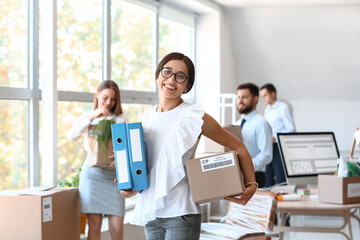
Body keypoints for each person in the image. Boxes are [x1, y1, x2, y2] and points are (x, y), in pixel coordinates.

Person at [120, 52, 257, 240]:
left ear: (187, 85)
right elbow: (154, 168)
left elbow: (239, 147)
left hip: (181, 214)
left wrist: (252, 184)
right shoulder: (147, 117)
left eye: (180, 76)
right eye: (167, 72)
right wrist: (131, 188)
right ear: (157, 75)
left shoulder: (193, 116)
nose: (171, 80)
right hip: (152, 213)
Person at [68, 80, 125, 240]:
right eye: (105, 97)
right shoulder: (88, 117)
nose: (108, 102)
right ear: (97, 95)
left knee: (117, 230)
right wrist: (93, 117)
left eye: (113, 99)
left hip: (114, 179)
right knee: (93, 230)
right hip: (92, 177)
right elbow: (72, 137)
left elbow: (127, 146)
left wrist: (121, 160)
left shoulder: (120, 119)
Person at [235, 83, 273, 188]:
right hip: (236, 176)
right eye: (238, 97)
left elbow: (266, 155)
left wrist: (246, 166)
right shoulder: (236, 124)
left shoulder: (261, 123)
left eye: (244, 97)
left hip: (255, 177)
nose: (240, 101)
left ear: (255, 99)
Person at [260, 83, 295, 187]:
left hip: (279, 146)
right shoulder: (267, 109)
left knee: (280, 178)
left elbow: (291, 129)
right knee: (268, 178)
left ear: (273, 94)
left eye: (265, 95)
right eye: (262, 96)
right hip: (268, 147)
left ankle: (284, 201)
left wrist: (275, 137)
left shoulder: (283, 107)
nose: (263, 98)